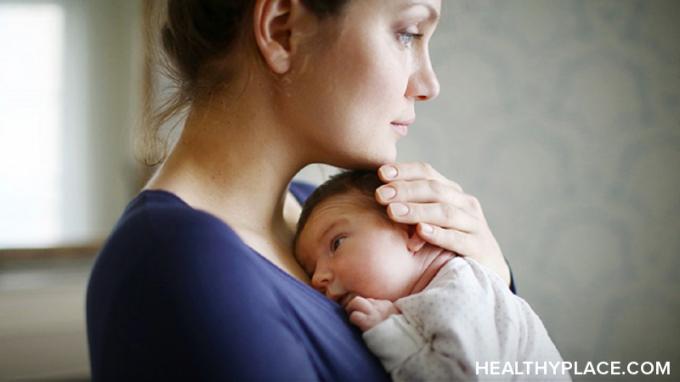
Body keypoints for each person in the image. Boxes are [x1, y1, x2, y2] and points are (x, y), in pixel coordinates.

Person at [87, 0, 514, 380]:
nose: (428, 84)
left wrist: (491, 280)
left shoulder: (320, 209)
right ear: (283, 30)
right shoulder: (180, 261)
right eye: (407, 33)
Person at [294, 170, 568, 381]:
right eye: (309, 269)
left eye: (337, 243)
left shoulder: (458, 289)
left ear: (413, 231)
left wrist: (393, 332)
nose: (317, 278)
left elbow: (466, 376)